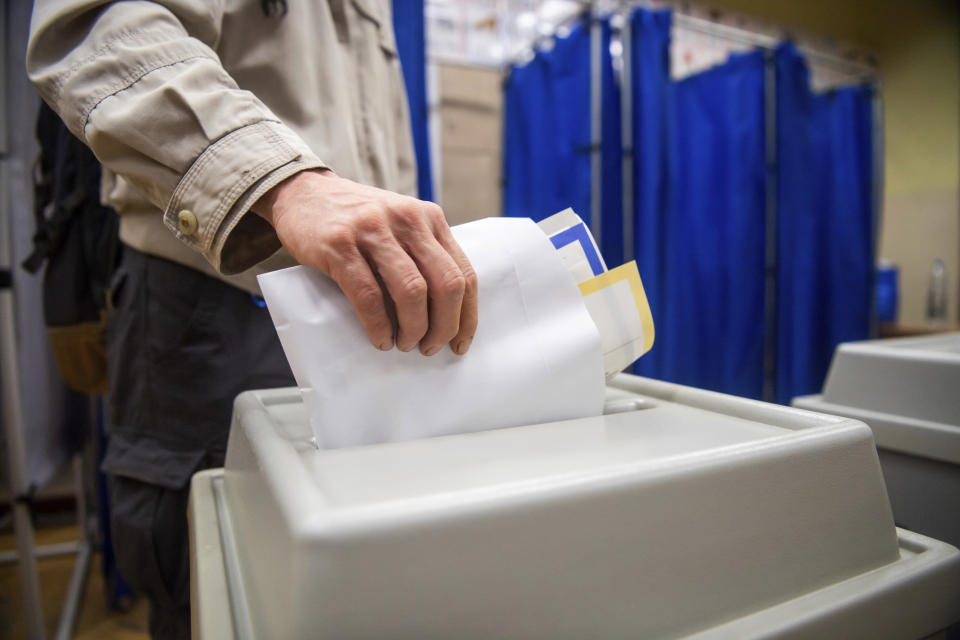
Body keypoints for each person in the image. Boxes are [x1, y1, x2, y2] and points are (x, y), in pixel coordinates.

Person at [27, 1, 477, 637]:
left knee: (343, 580)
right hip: (211, 306)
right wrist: (285, 183)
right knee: (218, 590)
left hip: (357, 321)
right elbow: (100, 28)